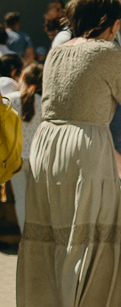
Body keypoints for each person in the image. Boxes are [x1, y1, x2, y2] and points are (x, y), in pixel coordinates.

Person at [16, 0, 121, 307]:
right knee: (102, 246)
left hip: (49, 147)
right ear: (107, 22)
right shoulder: (108, 51)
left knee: (65, 244)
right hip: (86, 150)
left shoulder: (57, 52)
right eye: (116, 25)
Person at [7, 61, 42, 234]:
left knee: (21, 198)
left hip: (16, 157)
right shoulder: (44, 102)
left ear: (22, 78)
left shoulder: (11, 100)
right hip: (39, 157)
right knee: (39, 201)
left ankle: (25, 235)